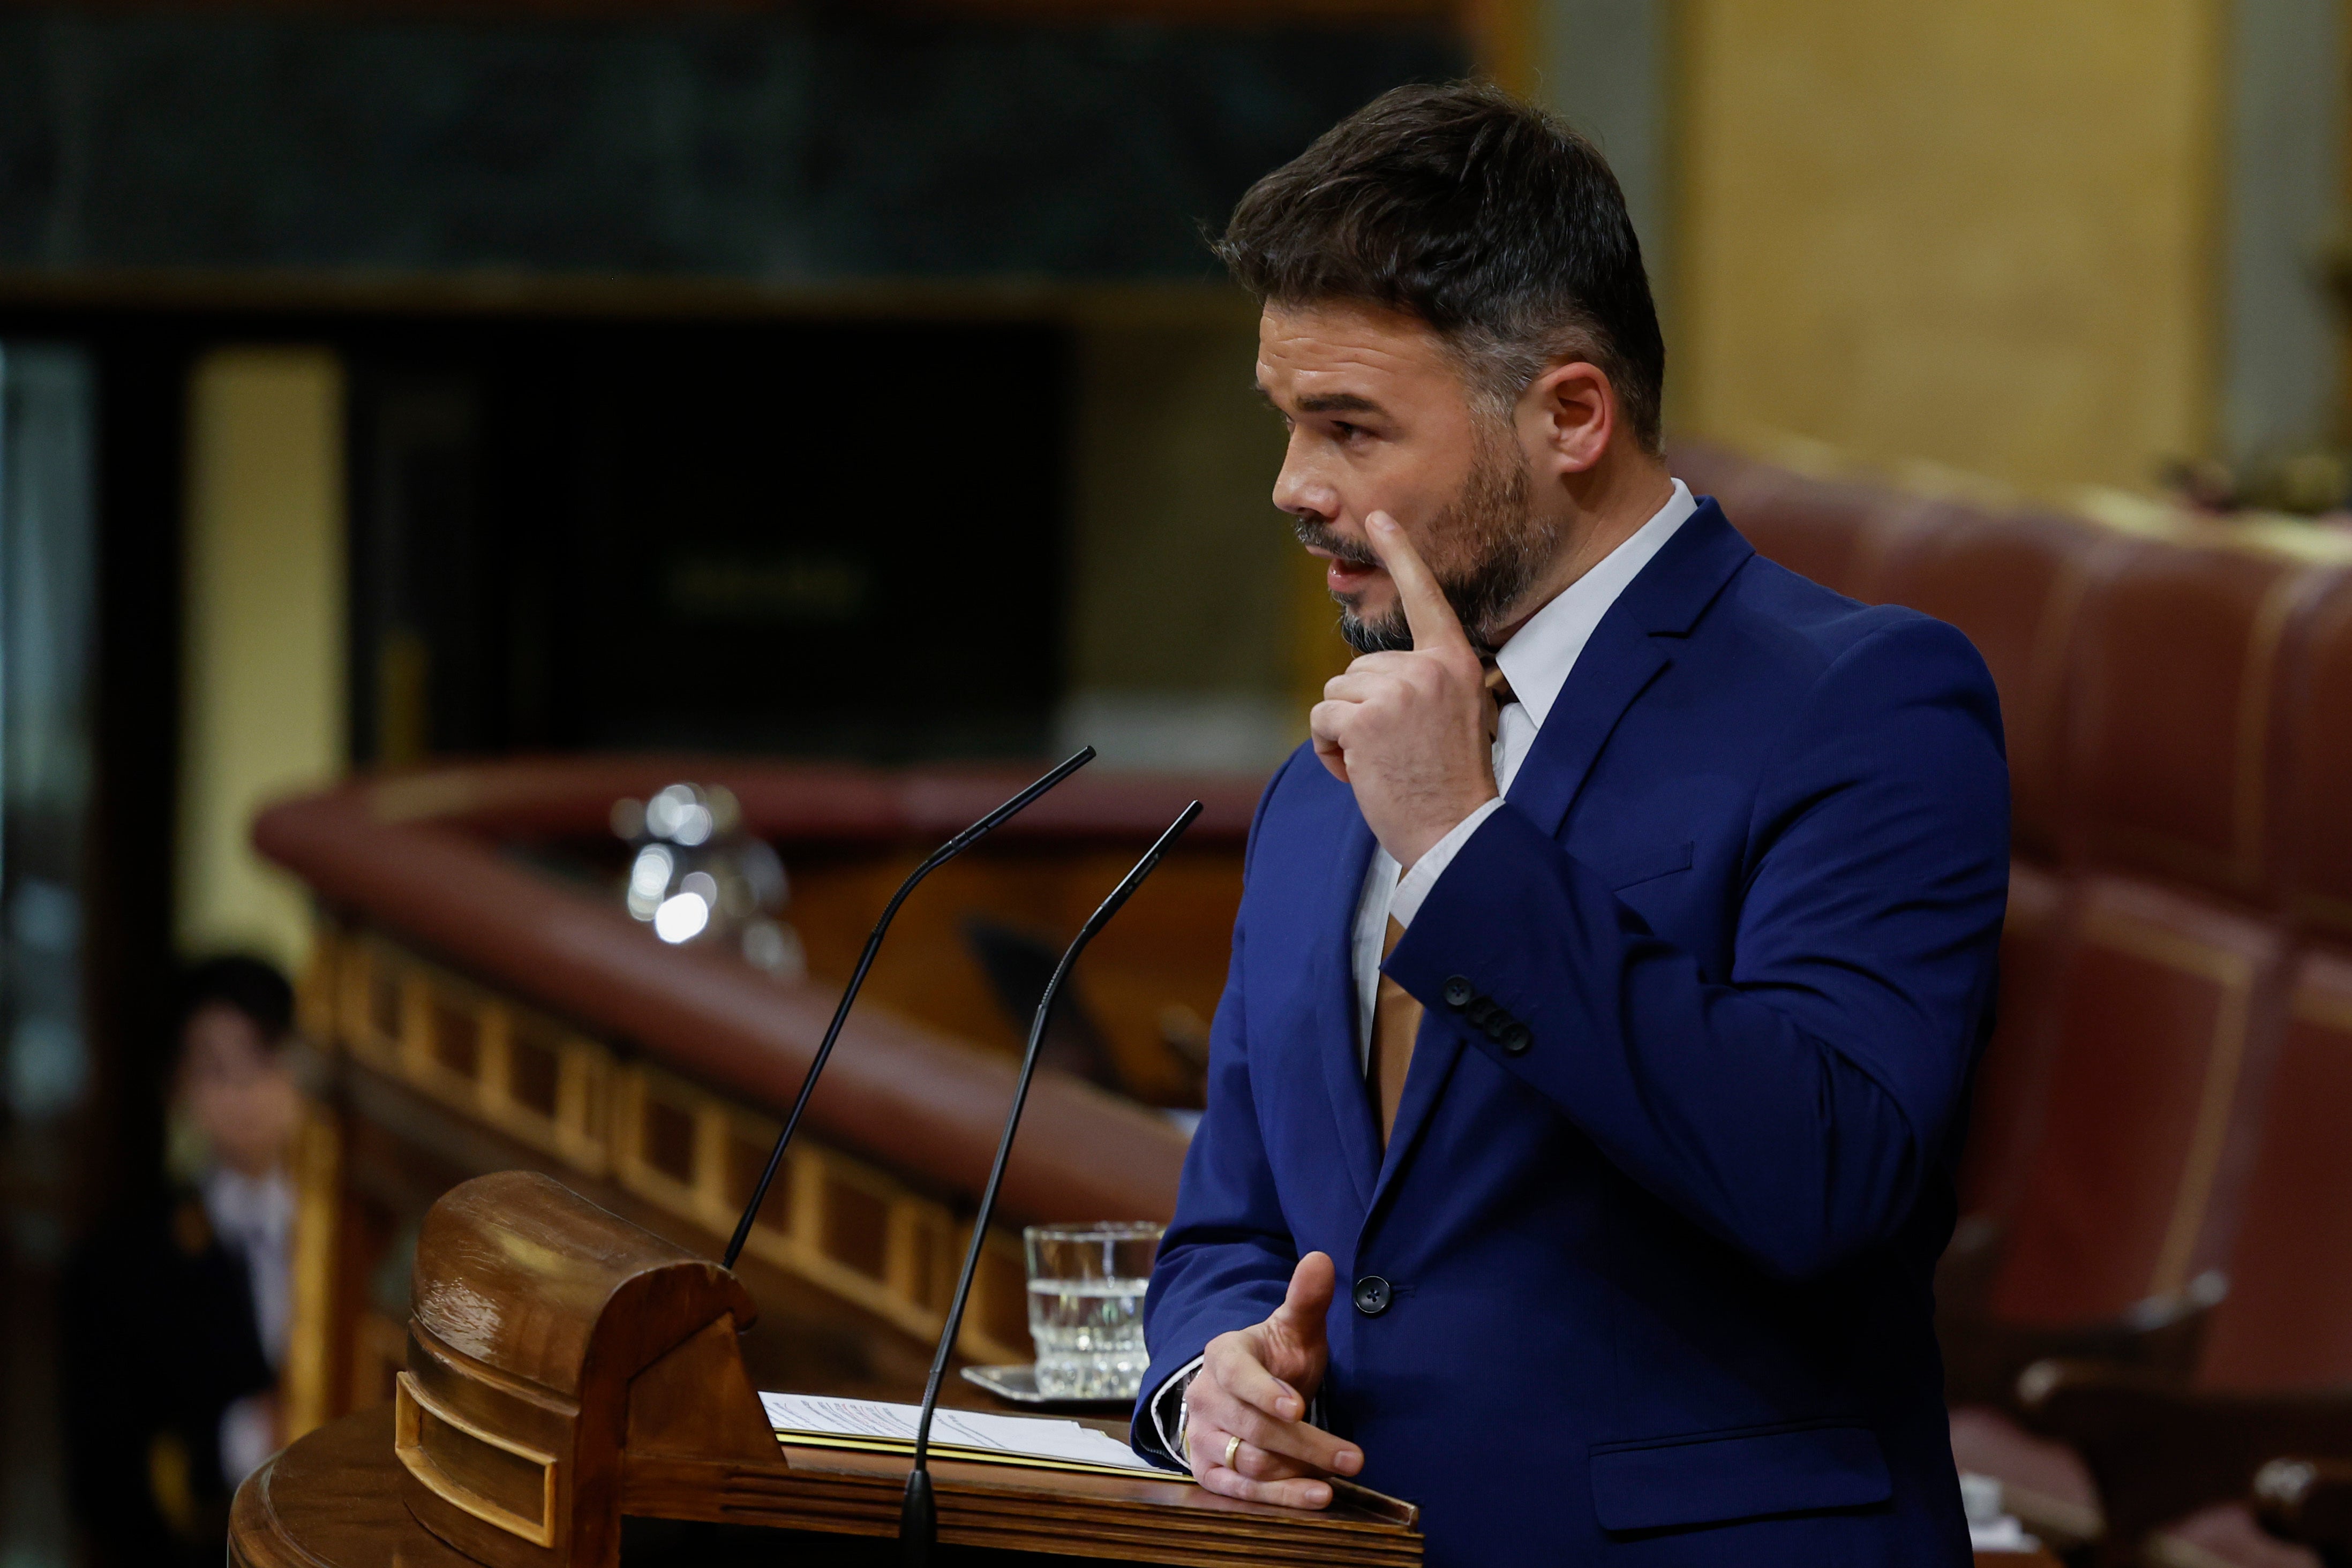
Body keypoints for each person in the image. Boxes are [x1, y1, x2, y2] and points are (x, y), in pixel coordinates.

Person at [1130, 82, 2008, 1565]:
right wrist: (1208, 1382)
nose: (1292, 488)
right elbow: (1232, 1227)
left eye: (1348, 428)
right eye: (1286, 425)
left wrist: (1462, 848)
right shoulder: (1320, 782)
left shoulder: (1860, 704)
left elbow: (1824, 1177)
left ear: (1569, 415)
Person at [62, 956, 302, 1568]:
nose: (244, 1092)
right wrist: (238, 1439)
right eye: (215, 1069)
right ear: (177, 1087)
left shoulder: (358, 1236)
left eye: (264, 1059)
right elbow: (103, 1484)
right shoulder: (121, 1264)